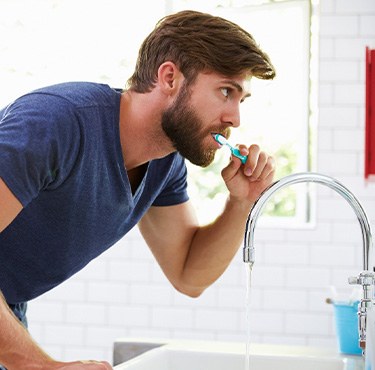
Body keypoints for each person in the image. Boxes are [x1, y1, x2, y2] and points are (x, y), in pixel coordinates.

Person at [0, 9, 276, 370]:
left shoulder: (165, 163)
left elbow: (189, 275)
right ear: (169, 77)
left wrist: (241, 203)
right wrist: (42, 366)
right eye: (226, 91)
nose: (235, 119)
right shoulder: (56, 123)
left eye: (241, 100)